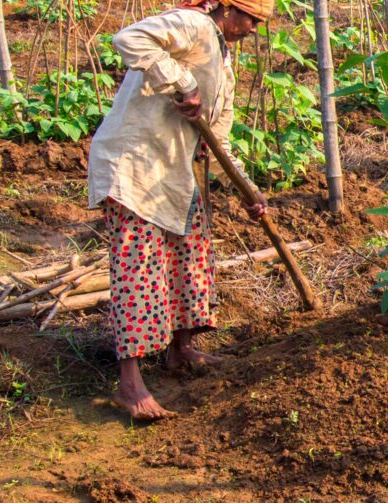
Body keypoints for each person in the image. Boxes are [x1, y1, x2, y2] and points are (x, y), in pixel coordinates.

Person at [86, 0, 269, 421]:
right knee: (139, 267)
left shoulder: (224, 66)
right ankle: (130, 384)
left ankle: (180, 349)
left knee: (192, 254)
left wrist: (248, 190)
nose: (254, 29)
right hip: (135, 166)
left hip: (175, 174)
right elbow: (128, 38)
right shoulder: (192, 23)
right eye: (251, 18)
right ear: (226, 8)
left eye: (259, 23)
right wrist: (182, 82)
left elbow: (217, 144)